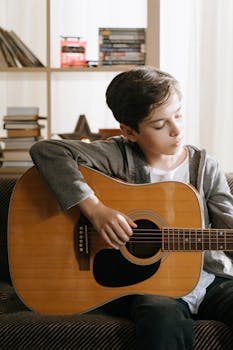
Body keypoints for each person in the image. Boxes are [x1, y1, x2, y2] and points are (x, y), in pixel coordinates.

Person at [30, 66, 233, 350]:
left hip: (208, 279)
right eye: (160, 125)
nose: (177, 130)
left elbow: (228, 227)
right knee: (161, 319)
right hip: (152, 286)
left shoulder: (204, 167)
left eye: (178, 114)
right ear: (129, 131)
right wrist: (96, 210)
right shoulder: (117, 156)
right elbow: (47, 151)